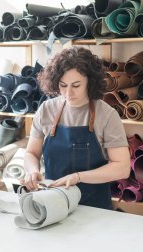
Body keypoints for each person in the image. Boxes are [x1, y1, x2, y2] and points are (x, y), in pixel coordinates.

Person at [21, 46, 131, 209]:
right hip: (53, 203)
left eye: (76, 85)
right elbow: (31, 153)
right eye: (63, 85)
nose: (68, 93)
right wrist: (32, 171)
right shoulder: (46, 110)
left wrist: (78, 177)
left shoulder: (107, 115)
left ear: (90, 82)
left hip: (94, 208)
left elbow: (122, 168)